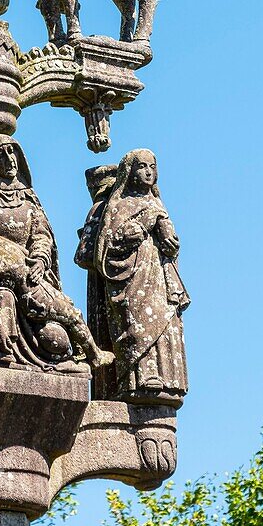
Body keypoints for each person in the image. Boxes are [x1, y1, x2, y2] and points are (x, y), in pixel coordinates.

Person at [0, 134, 111, 374]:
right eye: (1, 155)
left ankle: (85, 354)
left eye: (12, 152)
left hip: (30, 278)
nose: (9, 160)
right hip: (0, 283)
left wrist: (39, 259)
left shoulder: (29, 201)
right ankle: (1, 351)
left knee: (57, 340)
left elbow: (42, 237)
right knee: (2, 299)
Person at [89, 149, 189, 405]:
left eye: (152, 167)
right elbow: (109, 245)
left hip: (158, 276)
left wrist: (170, 243)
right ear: (129, 172)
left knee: (165, 321)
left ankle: (168, 377)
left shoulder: (159, 205)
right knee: (138, 324)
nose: (148, 172)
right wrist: (146, 221)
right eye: (142, 166)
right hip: (132, 277)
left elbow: (170, 247)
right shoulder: (120, 205)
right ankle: (141, 377)